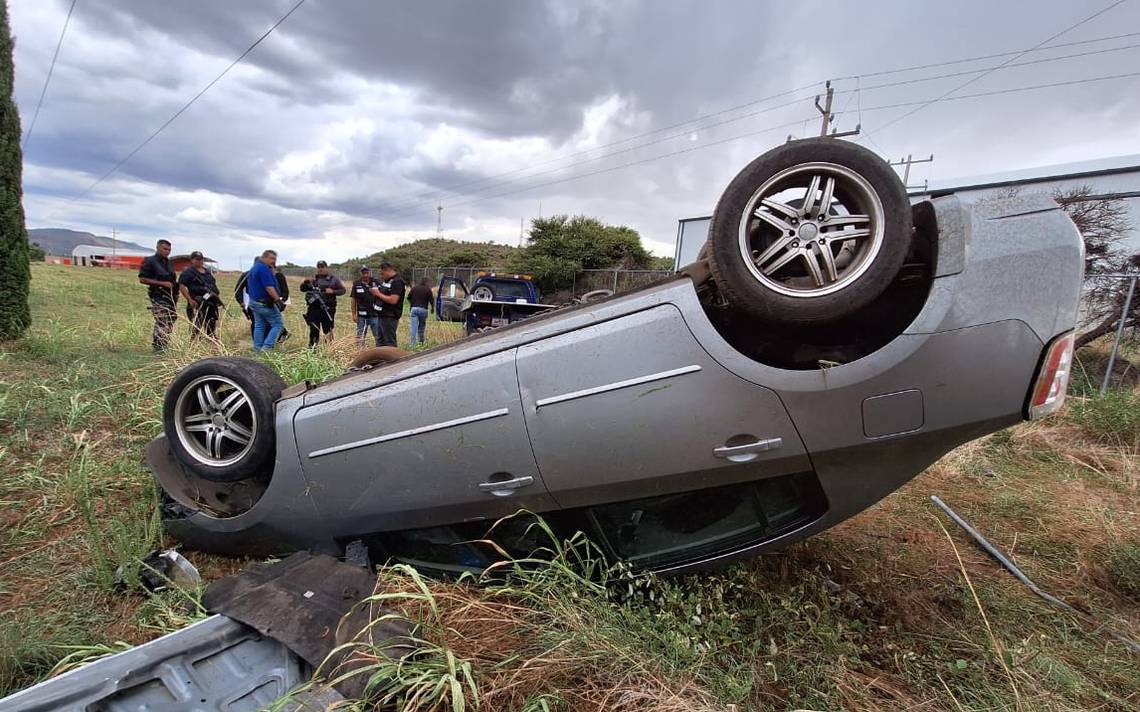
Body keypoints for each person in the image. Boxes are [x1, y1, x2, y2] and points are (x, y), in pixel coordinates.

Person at [137, 239, 179, 353]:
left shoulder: (168, 262)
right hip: (158, 295)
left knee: (171, 320)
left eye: (169, 250)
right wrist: (161, 283)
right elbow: (142, 279)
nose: (167, 252)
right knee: (162, 321)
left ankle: (164, 344)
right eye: (165, 249)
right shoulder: (150, 261)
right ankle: (158, 348)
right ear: (158, 247)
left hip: (171, 296)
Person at [178, 251, 223, 341]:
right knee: (196, 327)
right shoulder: (188, 272)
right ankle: (193, 347)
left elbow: (213, 286)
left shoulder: (207, 272)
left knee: (211, 326)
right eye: (197, 259)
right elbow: (182, 286)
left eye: (201, 259)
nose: (200, 261)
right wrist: (190, 300)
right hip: (198, 303)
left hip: (210, 304)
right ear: (192, 260)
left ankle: (211, 344)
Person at [247, 249, 286, 351]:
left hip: (254, 301)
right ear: (264, 257)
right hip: (264, 303)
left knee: (259, 325)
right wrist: (278, 300)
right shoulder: (263, 269)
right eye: (271, 258)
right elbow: (269, 287)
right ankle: (267, 347)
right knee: (278, 324)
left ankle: (257, 349)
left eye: (275, 259)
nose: (273, 261)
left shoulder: (255, 267)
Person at [300, 260, 345, 348]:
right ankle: (312, 349)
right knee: (314, 329)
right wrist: (304, 282)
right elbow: (302, 289)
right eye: (319, 267)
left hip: (327, 308)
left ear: (326, 268)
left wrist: (333, 291)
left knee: (328, 330)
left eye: (322, 267)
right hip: (314, 309)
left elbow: (343, 290)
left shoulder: (333, 279)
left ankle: (330, 349)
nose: (321, 269)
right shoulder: (313, 279)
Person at [375, 262, 405, 348]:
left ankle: (393, 360)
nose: (381, 276)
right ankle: (380, 360)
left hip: (389, 316)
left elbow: (393, 300)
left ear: (387, 270)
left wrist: (378, 294)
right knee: (380, 341)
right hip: (382, 315)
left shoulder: (397, 282)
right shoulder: (387, 281)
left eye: (382, 273)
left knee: (389, 342)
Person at [351, 266, 381, 346]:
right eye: (364, 273)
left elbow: (382, 296)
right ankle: (359, 353)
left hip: (375, 315)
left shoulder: (376, 283)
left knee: (378, 336)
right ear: (361, 274)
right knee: (360, 337)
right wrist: (354, 314)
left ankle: (380, 352)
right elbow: (353, 300)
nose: (365, 275)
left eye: (367, 273)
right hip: (361, 316)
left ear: (370, 273)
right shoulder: (356, 284)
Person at [407, 277, 433, 347]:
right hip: (423, 310)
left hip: (414, 309)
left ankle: (412, 345)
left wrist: (412, 304)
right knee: (421, 327)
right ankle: (421, 343)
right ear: (426, 282)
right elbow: (432, 300)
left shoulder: (414, 288)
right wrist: (432, 309)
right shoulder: (428, 289)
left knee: (413, 327)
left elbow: (408, 297)